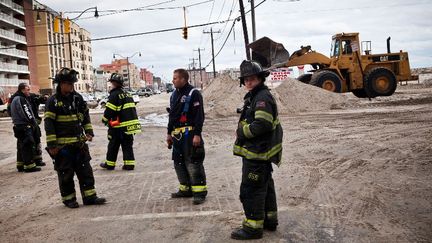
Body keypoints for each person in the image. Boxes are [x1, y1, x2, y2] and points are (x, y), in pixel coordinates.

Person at [231, 60, 283, 240]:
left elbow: (262, 124)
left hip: (257, 155)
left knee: (251, 190)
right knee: (265, 186)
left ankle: (253, 228)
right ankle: (270, 220)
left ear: (260, 78)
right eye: (246, 79)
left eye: (252, 79)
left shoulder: (261, 98)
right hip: (259, 154)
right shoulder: (256, 95)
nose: (249, 82)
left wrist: (242, 131)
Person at [44, 67, 106, 208]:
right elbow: (49, 124)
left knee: (86, 172)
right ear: (60, 84)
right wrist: (52, 145)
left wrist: (89, 131)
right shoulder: (53, 101)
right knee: (66, 174)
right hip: (63, 148)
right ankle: (69, 199)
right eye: (69, 84)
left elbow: (85, 116)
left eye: (73, 84)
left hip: (80, 145)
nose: (72, 86)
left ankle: (90, 196)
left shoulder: (77, 98)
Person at [166, 68, 207, 205]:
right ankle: (185, 189)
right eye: (173, 78)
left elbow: (199, 116)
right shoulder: (173, 95)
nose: (173, 80)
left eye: (175, 78)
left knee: (193, 162)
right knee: (178, 162)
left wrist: (197, 134)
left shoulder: (193, 93)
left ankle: (199, 192)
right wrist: (169, 133)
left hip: (190, 134)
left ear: (184, 79)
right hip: (177, 135)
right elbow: (172, 116)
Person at [100, 73, 141, 170]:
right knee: (127, 145)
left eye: (111, 83)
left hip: (118, 126)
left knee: (113, 145)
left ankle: (110, 164)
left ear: (114, 83)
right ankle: (129, 164)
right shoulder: (128, 94)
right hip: (130, 126)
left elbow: (110, 110)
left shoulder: (114, 95)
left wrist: (104, 120)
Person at [9, 83, 42, 172]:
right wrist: (33, 123)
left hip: (19, 126)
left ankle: (21, 165)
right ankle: (29, 166)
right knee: (27, 145)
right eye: (28, 89)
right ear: (22, 90)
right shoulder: (21, 99)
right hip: (24, 126)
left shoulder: (15, 98)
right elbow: (26, 112)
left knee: (21, 146)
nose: (29, 92)